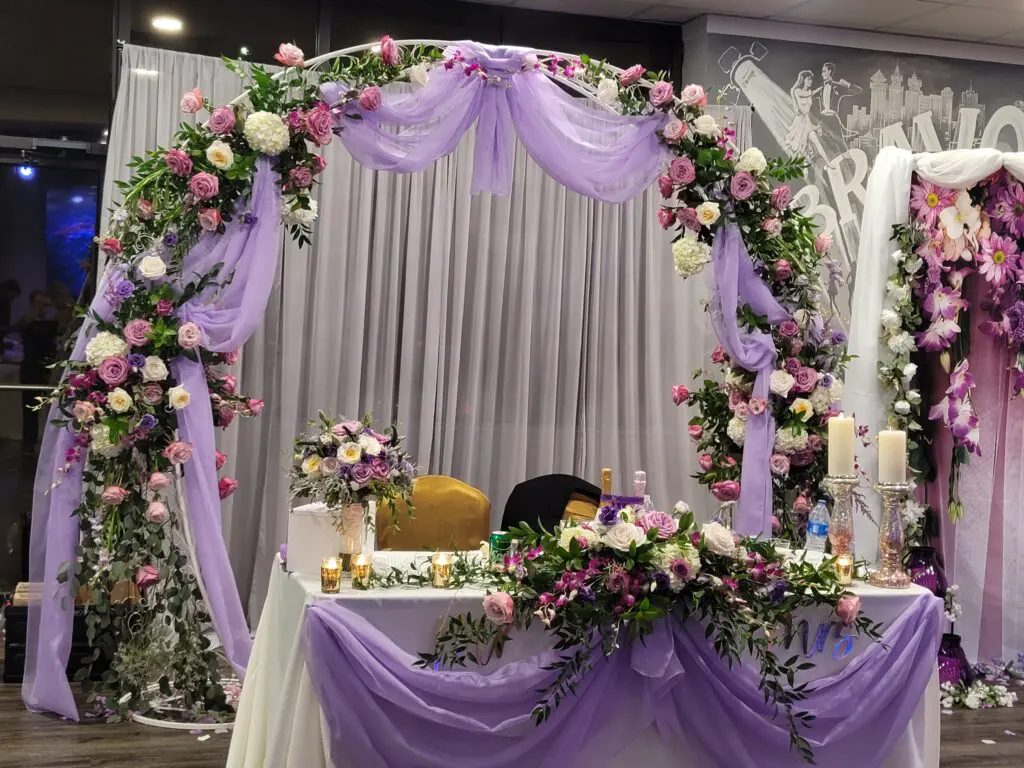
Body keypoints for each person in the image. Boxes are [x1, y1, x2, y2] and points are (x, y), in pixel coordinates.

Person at [13, 290, 58, 451]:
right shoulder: (27, 321)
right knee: (29, 409)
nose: (41, 307)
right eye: (38, 303)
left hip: (48, 369)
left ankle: (51, 444)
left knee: (52, 408)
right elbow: (18, 327)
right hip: (30, 369)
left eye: (44, 304)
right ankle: (29, 444)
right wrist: (34, 313)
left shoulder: (52, 322)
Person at [783, 70, 829, 163]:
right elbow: (809, 94)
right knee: (800, 147)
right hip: (800, 122)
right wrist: (822, 86)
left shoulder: (808, 92)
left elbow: (811, 94)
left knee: (816, 142)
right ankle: (797, 166)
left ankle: (828, 163)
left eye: (811, 79)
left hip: (807, 120)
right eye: (808, 79)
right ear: (803, 80)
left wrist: (823, 87)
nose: (810, 81)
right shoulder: (797, 91)